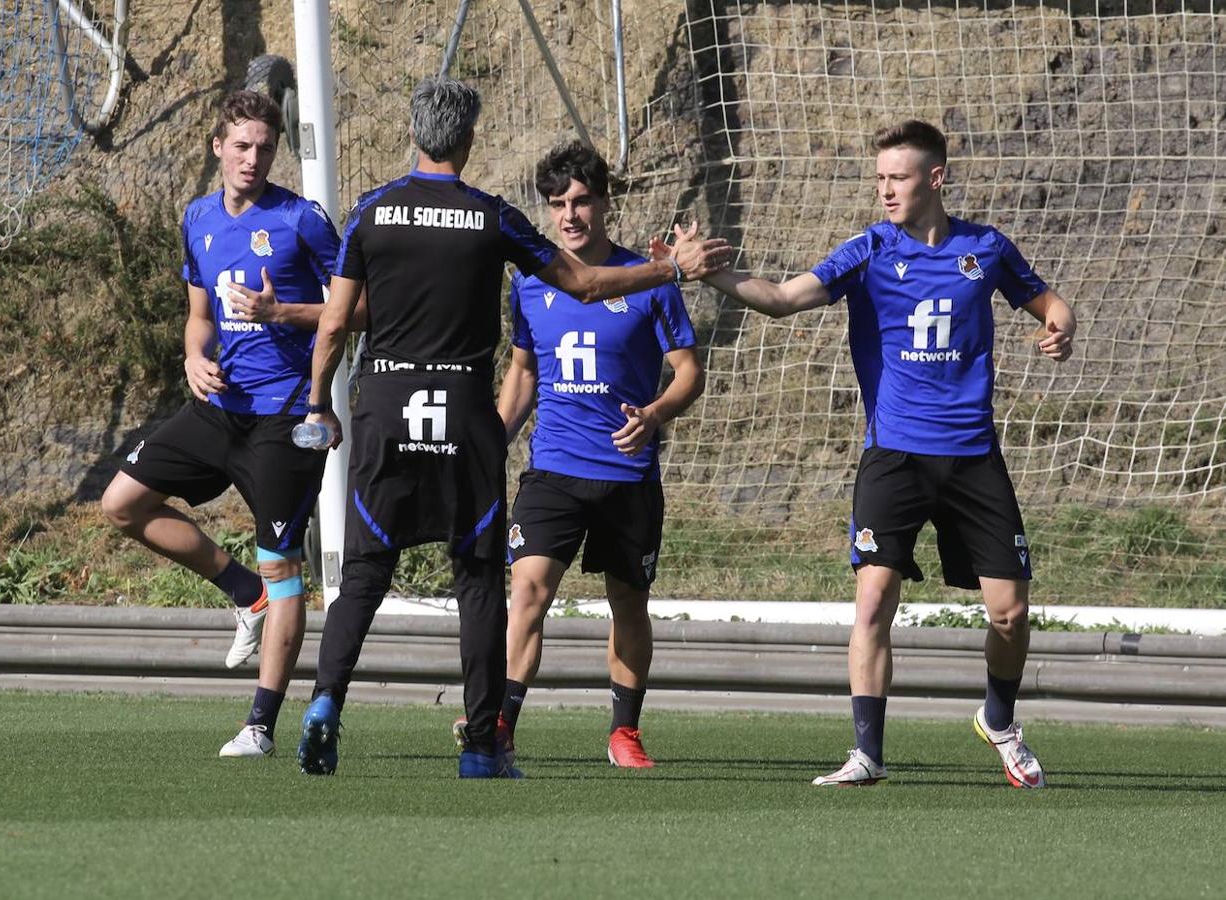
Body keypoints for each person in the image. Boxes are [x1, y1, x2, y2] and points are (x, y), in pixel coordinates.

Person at [295, 76, 731, 779]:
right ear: (468, 139)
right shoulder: (491, 219)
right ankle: (480, 747)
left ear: (413, 134)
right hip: (467, 410)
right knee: (478, 578)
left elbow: (337, 325)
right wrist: (669, 268)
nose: (569, 212)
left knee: (367, 571)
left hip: (384, 400)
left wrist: (318, 406)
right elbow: (579, 290)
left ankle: (324, 702)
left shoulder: (371, 211)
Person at [692, 120, 1076, 788]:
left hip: (971, 457)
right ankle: (866, 752)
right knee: (872, 600)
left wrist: (1059, 328)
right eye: (879, 178)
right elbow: (783, 299)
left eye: (897, 177)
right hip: (893, 455)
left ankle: (998, 720)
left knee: (1009, 614)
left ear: (934, 178)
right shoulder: (868, 250)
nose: (885, 189)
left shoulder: (984, 249)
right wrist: (715, 277)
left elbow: (1048, 304)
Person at [101, 90, 343, 759]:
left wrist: (283, 313)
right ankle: (243, 596)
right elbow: (199, 314)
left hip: (286, 415)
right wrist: (191, 357)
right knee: (121, 504)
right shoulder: (198, 217)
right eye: (241, 145)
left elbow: (356, 312)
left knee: (282, 566)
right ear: (217, 148)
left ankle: (260, 725)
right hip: (219, 409)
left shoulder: (303, 220)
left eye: (264, 147)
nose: (252, 157)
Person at [451, 140, 704, 768]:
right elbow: (523, 375)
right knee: (529, 589)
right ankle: (501, 724)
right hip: (554, 470)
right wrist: (491, 442)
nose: (570, 214)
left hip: (627, 474)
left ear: (604, 203)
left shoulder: (648, 281)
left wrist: (654, 414)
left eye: (582, 200)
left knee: (628, 601)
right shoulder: (531, 285)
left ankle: (625, 731)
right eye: (558, 203)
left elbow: (687, 372)